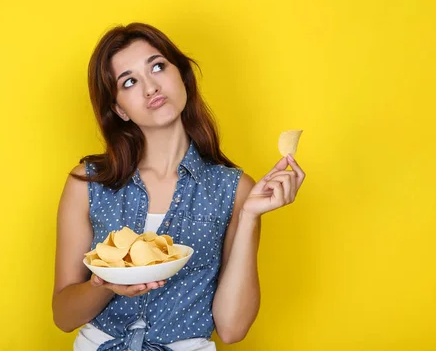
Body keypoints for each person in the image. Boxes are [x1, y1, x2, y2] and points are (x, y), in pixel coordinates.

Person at [52, 22, 306, 351]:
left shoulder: (234, 189)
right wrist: (106, 283)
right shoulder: (87, 184)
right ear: (119, 109)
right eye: (129, 82)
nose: (150, 88)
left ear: (182, 76)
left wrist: (249, 217)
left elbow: (232, 329)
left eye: (157, 66)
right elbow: (63, 316)